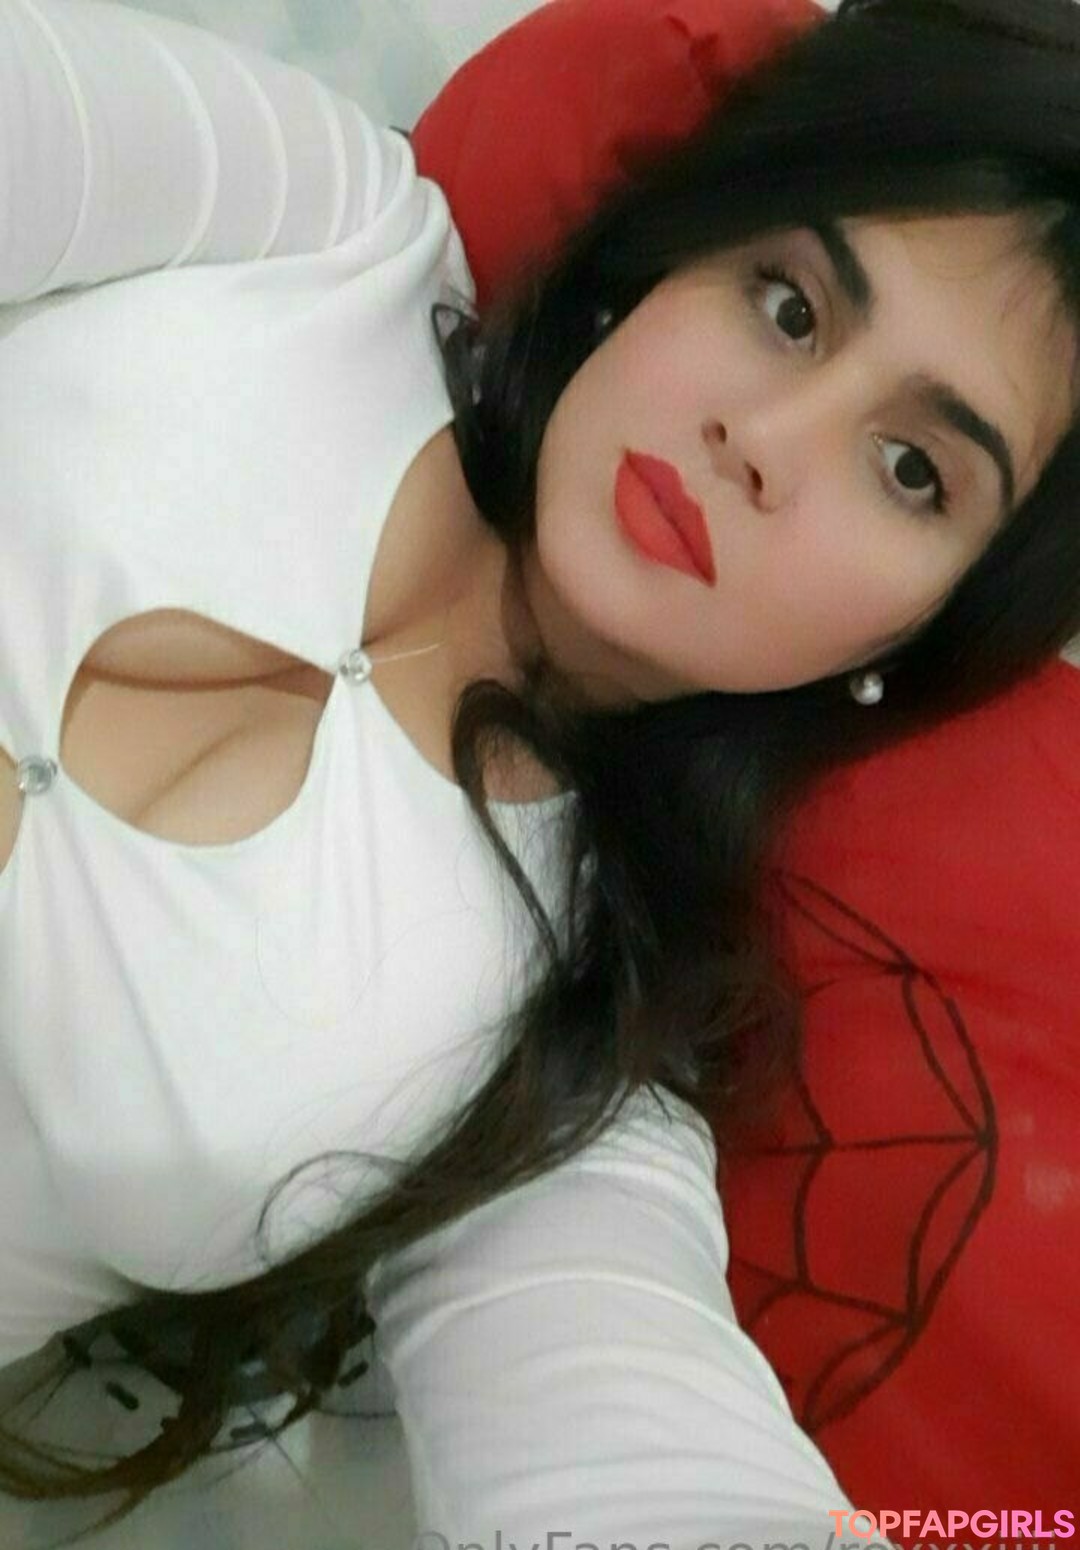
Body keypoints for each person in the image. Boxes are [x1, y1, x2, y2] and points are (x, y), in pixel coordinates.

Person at [0, 0, 1077, 1542]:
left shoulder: (567, 1078)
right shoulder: (320, 226)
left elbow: (641, 1469)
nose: (767, 435)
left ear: (930, 628)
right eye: (788, 303)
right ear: (676, 257)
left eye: (914, 470)